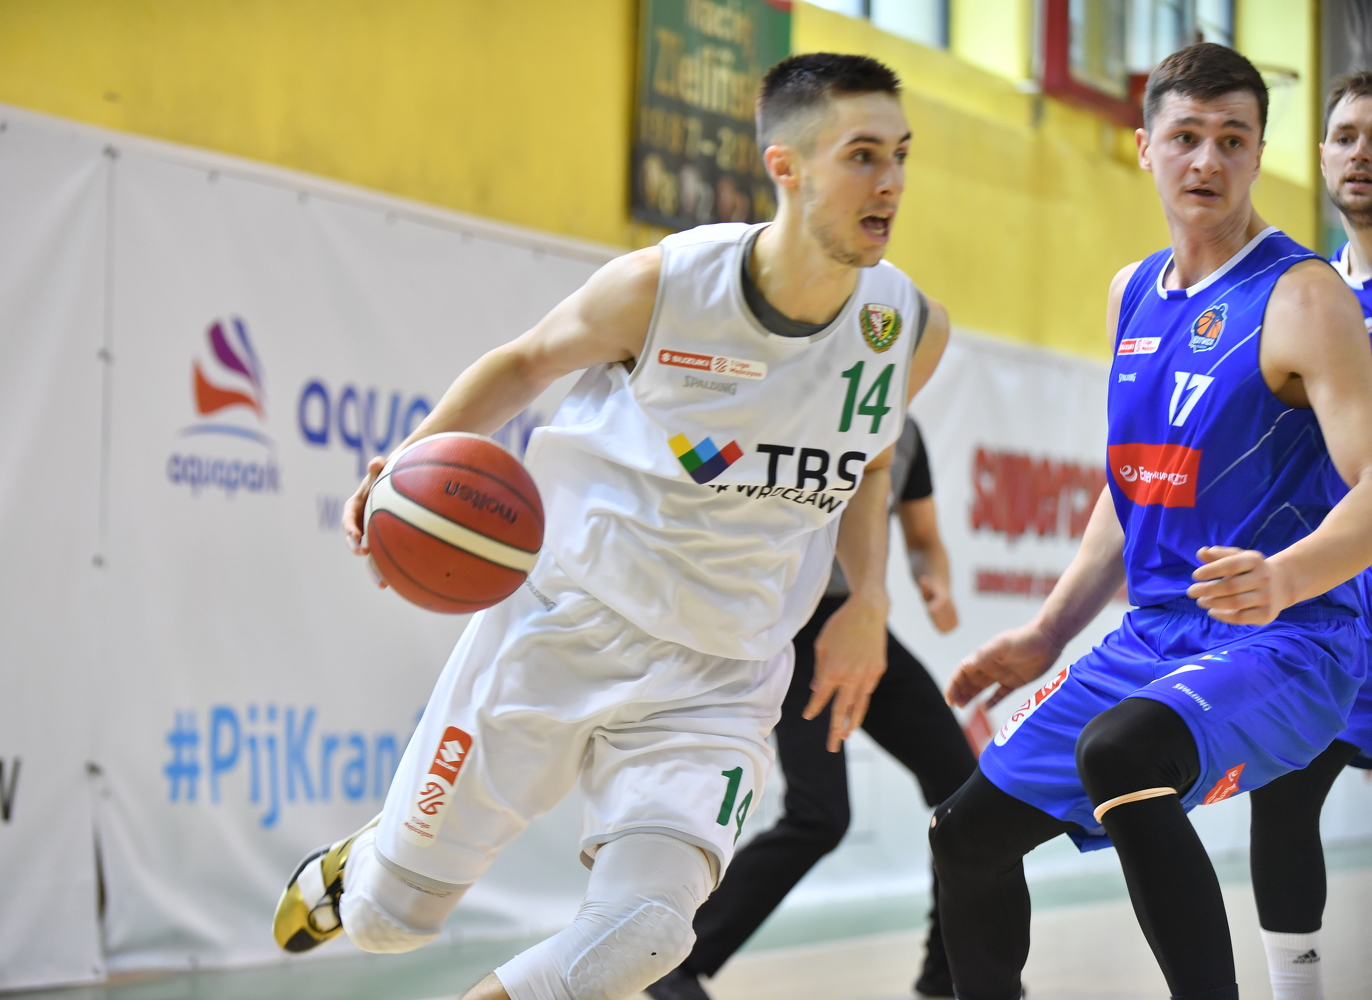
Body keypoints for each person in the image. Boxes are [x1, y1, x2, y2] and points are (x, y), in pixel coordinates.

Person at [271, 53, 951, 1000]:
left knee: (646, 936)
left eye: (902, 156)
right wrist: (406, 462)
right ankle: (370, 864)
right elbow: (525, 363)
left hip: (722, 676)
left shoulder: (908, 329)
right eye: (863, 156)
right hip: (567, 624)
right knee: (389, 924)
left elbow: (871, 464)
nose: (890, 183)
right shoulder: (666, 286)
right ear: (786, 167)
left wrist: (867, 598)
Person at [932, 43, 1372, 1000]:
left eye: (1232, 139)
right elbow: (1132, 488)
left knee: (1122, 754)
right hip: (1155, 636)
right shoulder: (1131, 292)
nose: (1207, 160)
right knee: (963, 837)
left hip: (1293, 639)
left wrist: (1288, 577)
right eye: (1186, 137)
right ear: (1145, 147)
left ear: (1259, 156)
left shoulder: (1305, 296)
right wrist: (1048, 631)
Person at [645, 417, 974, 1000]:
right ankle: (672, 960)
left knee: (967, 793)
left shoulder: (908, 433)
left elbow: (923, 538)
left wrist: (936, 582)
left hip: (858, 626)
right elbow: (708, 486)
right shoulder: (799, 406)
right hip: (790, 626)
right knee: (819, 814)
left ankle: (948, 975)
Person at [1246, 69, 1372, 1000]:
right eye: (1346, 135)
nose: (1362, 153)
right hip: (1328, 612)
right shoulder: (1303, 297)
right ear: (1322, 155)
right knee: (1280, 798)